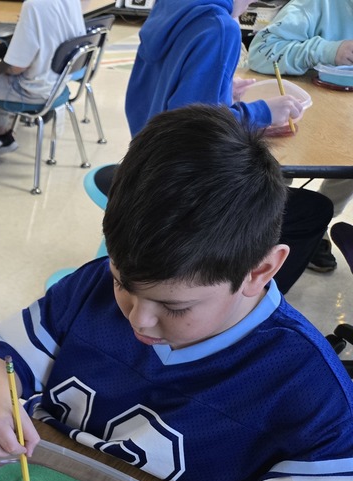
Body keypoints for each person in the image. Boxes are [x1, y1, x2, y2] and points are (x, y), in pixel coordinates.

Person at [0, 105, 353, 481]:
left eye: (174, 306)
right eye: (126, 284)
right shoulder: (92, 287)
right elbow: (5, 358)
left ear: (261, 271)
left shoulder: (302, 384)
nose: (138, 320)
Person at [122, 0, 335, 287]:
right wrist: (262, 113)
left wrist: (222, 93)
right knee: (314, 210)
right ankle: (243, 314)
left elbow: (165, 99)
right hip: (179, 195)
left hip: (142, 169)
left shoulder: (171, 7)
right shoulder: (220, 27)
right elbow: (195, 133)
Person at [248, 0, 353, 265]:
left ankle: (316, 225)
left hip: (346, 120)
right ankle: (269, 227)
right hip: (304, 114)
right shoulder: (316, 4)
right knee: (278, 170)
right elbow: (260, 52)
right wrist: (327, 50)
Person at [0, 0, 84, 168]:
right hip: (57, 83)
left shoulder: (33, 6)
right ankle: (3, 134)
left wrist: (27, 25)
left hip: (33, 91)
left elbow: (17, 68)